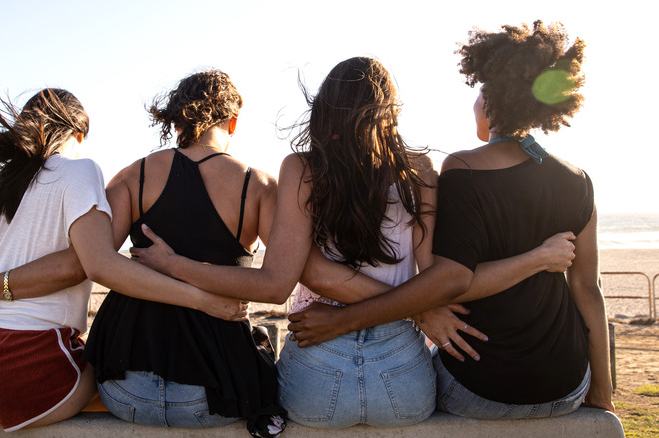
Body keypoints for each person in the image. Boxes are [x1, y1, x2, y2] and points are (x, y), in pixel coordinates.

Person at [133, 56, 577, 428]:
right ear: (390, 111)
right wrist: (419, 308)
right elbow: (437, 274)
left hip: (316, 367)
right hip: (403, 373)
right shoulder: (419, 170)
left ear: (325, 108)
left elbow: (286, 280)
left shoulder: (302, 168)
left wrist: (177, 265)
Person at [287, 22, 614, 419]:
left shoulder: (462, 168)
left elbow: (453, 281)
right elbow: (587, 290)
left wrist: (356, 316)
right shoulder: (578, 180)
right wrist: (601, 386)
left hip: (474, 382)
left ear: (490, 100)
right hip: (566, 381)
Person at [0, 71, 286, 437]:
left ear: (176, 118)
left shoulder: (134, 176)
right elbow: (274, 285)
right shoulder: (259, 187)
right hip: (219, 391)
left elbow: (90, 261)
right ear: (233, 121)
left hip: (123, 385)